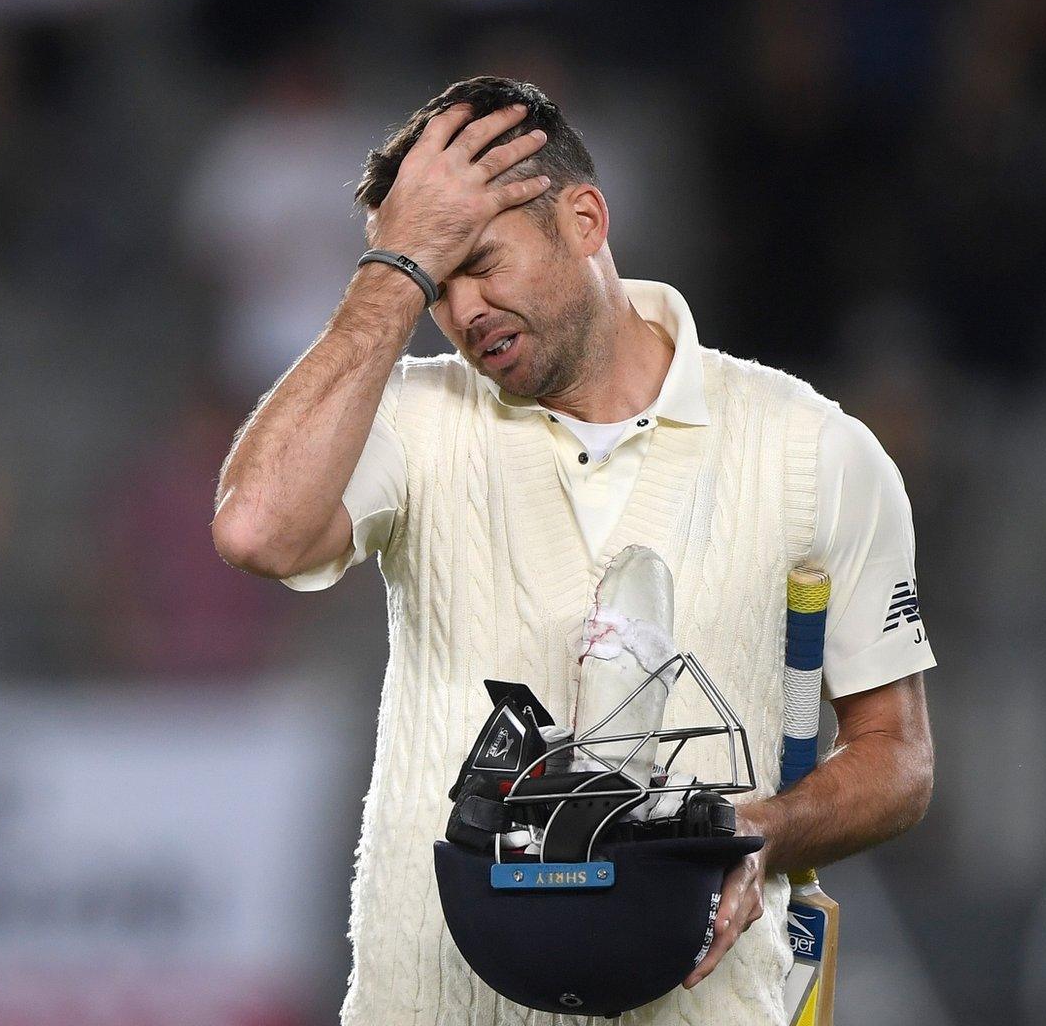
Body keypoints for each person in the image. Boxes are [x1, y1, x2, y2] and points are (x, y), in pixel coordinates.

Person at [211, 76, 935, 1025]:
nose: (462, 309)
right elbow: (256, 528)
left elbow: (899, 758)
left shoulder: (815, 450)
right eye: (436, 281)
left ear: (585, 219)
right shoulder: (410, 418)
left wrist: (762, 830)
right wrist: (394, 270)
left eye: (480, 260)